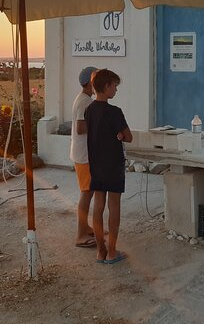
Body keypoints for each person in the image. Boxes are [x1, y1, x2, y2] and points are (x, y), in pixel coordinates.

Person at [85, 69, 133, 264]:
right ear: (106, 87)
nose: (116, 90)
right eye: (114, 86)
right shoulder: (114, 112)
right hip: (112, 164)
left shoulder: (89, 109)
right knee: (114, 208)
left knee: (98, 207)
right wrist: (120, 135)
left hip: (95, 163)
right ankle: (112, 251)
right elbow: (129, 136)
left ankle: (100, 251)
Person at [70, 66, 98, 248]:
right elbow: (81, 128)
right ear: (90, 82)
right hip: (84, 155)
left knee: (89, 192)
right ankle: (81, 235)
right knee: (86, 194)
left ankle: (86, 227)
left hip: (84, 155)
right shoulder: (85, 102)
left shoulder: (84, 99)